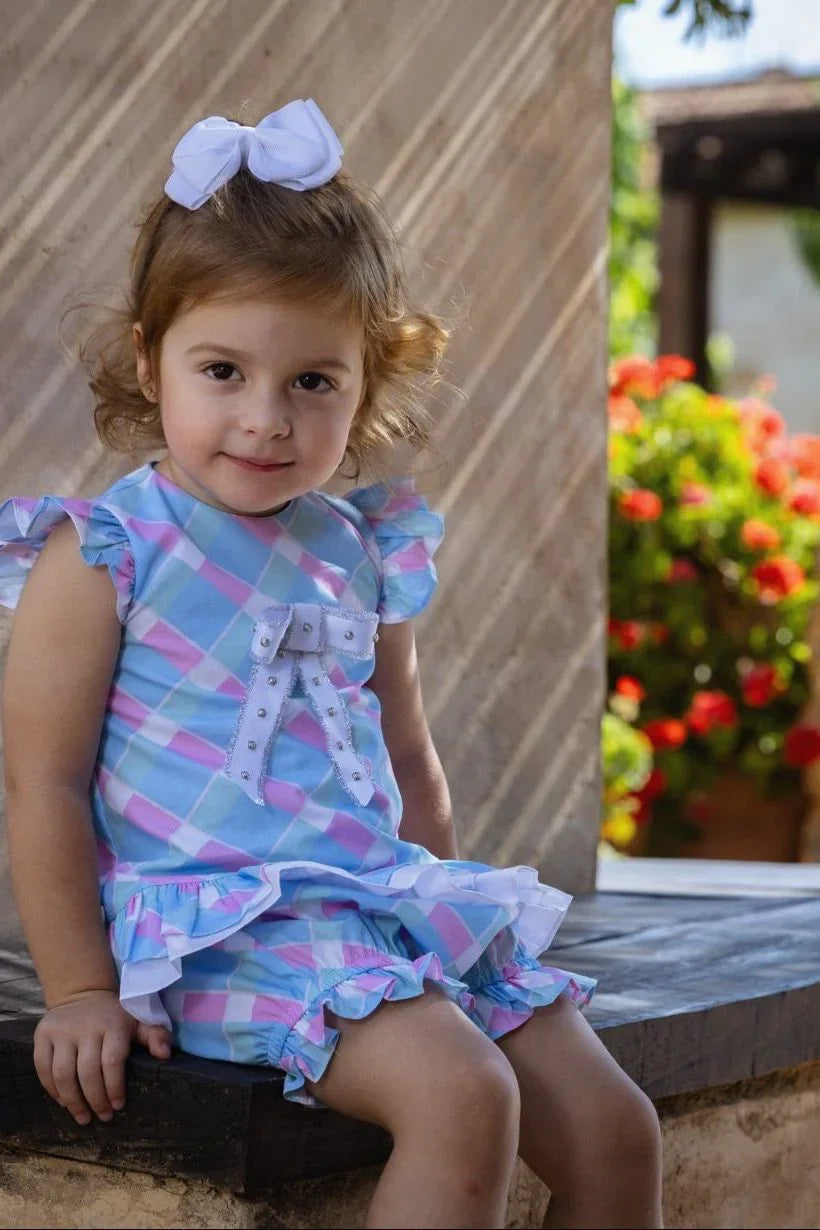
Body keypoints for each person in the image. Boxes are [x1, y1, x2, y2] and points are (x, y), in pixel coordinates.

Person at [0, 100, 662, 1229]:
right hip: (217, 933)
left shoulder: (359, 549)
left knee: (615, 1130)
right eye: (223, 370)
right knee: (463, 1095)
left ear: (366, 384)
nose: (266, 419)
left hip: (376, 909)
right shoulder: (108, 552)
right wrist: (82, 990)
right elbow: (42, 783)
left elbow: (405, 751)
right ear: (151, 361)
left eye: (313, 381)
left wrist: (440, 916)